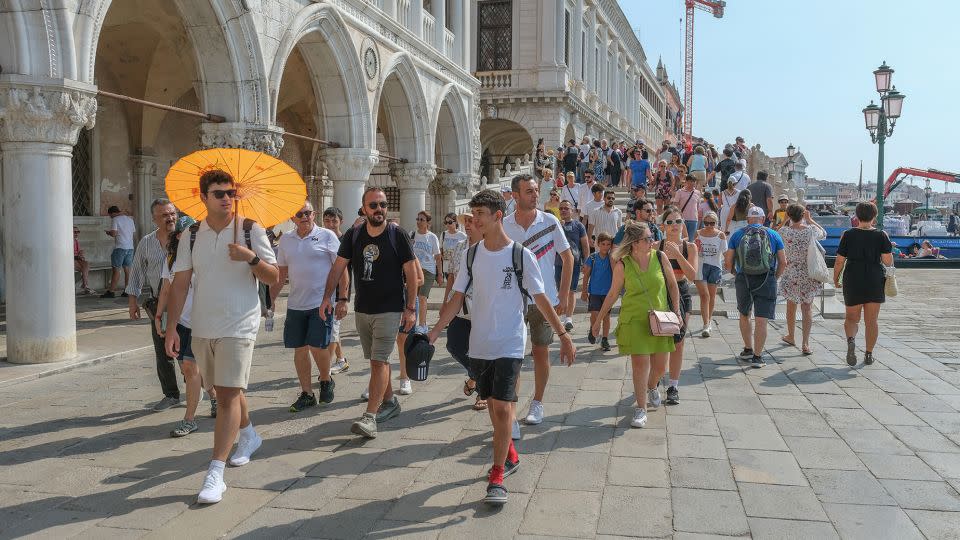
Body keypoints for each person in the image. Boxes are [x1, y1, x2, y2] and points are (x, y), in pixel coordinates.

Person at [429, 189, 574, 506]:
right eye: (473, 214)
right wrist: (435, 330)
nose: (474, 219)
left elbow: (540, 298)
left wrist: (562, 334)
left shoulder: (521, 255)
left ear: (497, 216)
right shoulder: (471, 255)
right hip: (479, 345)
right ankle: (508, 450)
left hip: (510, 342)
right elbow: (456, 298)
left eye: (479, 214)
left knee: (506, 407)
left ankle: (497, 475)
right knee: (494, 407)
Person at [164, 170, 279, 504]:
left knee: (227, 394)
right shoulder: (191, 234)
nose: (227, 197)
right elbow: (181, 282)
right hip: (202, 326)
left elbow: (273, 276)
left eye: (231, 192)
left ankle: (215, 472)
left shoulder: (250, 229)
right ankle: (249, 434)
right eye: (219, 193)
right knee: (224, 389)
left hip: (240, 323)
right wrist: (172, 327)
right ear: (204, 198)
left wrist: (251, 258)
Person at [319, 187, 418, 438]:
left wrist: (410, 308)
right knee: (374, 361)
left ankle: (370, 417)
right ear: (364, 208)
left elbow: (411, 274)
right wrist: (330, 299)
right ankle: (390, 402)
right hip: (362, 308)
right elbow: (338, 268)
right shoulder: (353, 235)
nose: (379, 210)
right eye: (373, 205)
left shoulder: (398, 234)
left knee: (379, 360)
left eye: (383, 205)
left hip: (390, 307)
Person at [592, 222, 680, 428]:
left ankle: (652, 386)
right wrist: (597, 321)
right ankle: (640, 408)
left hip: (660, 319)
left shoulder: (660, 257)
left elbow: (672, 285)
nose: (652, 241)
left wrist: (676, 311)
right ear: (634, 243)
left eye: (651, 238)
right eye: (647, 239)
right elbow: (613, 293)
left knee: (660, 367)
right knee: (640, 365)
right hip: (634, 320)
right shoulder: (623, 264)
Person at [504, 174, 573, 426]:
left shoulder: (550, 221)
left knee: (541, 351)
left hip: (546, 300)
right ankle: (511, 408)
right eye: (529, 191)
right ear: (515, 195)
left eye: (535, 190)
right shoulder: (505, 225)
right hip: (514, 300)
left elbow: (568, 258)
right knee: (513, 355)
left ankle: (537, 403)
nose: (535, 195)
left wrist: (563, 294)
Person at [272, 202, 345, 413]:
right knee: (300, 349)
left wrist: (342, 298)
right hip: (296, 304)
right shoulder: (286, 240)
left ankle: (325, 378)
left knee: (318, 347)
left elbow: (342, 269)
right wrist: (271, 299)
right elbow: (281, 273)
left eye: (308, 212)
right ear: (292, 218)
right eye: (299, 214)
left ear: (314, 214)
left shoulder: (327, 236)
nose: (304, 216)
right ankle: (307, 393)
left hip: (321, 302)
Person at [155, 216, 217, 437]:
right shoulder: (171, 258)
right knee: (188, 369)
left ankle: (189, 419)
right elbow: (166, 288)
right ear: (179, 235)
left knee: (191, 369)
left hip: (201, 322)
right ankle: (214, 395)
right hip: (179, 322)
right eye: (187, 232)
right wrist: (159, 314)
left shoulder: (206, 257)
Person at [126, 199, 181, 411]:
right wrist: (133, 303)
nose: (170, 218)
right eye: (165, 215)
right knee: (162, 350)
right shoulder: (147, 243)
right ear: (154, 219)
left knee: (187, 349)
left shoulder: (186, 239)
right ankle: (171, 394)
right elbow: (137, 272)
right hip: (160, 303)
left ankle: (198, 386)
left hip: (185, 302)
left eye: (172, 213)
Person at [724, 207, 786, 368]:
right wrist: (775, 277)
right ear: (763, 218)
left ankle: (748, 349)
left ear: (748, 218)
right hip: (767, 278)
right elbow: (783, 262)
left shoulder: (738, 234)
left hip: (744, 277)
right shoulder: (773, 234)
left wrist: (736, 273)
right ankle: (758, 357)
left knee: (745, 314)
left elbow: (728, 262)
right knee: (761, 320)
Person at [835, 202, 893, 367]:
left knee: (851, 318)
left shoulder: (848, 234)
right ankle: (868, 354)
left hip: (852, 277)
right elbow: (887, 261)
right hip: (874, 278)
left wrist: (836, 279)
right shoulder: (882, 235)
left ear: (857, 216)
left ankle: (851, 340)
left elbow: (839, 261)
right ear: (874, 216)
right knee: (871, 321)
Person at [444, 212, 487, 411]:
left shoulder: (489, 247)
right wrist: (446, 301)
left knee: (481, 351)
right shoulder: (460, 247)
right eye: (466, 221)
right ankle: (474, 375)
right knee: (454, 345)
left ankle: (482, 392)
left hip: (482, 308)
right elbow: (452, 277)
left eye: (471, 221)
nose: (468, 225)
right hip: (460, 307)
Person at [657, 208, 698, 406]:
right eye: (671, 222)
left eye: (678, 221)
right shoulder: (656, 245)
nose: (675, 225)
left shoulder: (690, 247)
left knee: (678, 341)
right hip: (660, 292)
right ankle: (655, 378)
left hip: (682, 291)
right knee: (659, 338)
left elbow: (692, 275)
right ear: (663, 226)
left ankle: (673, 385)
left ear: (683, 224)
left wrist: (677, 255)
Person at [779, 205, 826, 355]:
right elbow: (824, 233)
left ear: (789, 215)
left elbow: (774, 232)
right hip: (807, 272)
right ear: (803, 215)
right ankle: (805, 343)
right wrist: (810, 219)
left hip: (791, 271)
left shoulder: (785, 231)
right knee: (807, 308)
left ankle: (791, 336)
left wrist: (784, 220)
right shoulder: (810, 230)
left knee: (791, 306)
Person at [322, 207, 349, 374]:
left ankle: (325, 370)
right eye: (327, 220)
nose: (330, 224)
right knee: (333, 327)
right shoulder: (321, 238)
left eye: (334, 221)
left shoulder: (345, 240)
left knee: (333, 328)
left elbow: (346, 270)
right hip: (324, 289)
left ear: (340, 222)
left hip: (338, 292)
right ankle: (341, 360)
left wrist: (343, 297)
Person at [557, 200, 589, 330]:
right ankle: (557, 319)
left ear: (572, 211)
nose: (563, 210)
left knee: (571, 291)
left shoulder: (579, 226)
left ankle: (568, 318)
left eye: (566, 208)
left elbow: (585, 245)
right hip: (557, 263)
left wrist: (586, 261)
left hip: (574, 264)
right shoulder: (555, 224)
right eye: (561, 208)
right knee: (558, 292)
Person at [582, 232, 614, 350]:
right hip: (594, 291)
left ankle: (605, 339)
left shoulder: (612, 259)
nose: (605, 247)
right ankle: (593, 327)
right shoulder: (592, 257)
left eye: (608, 244)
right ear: (598, 244)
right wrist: (584, 291)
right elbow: (586, 275)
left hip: (608, 293)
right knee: (595, 314)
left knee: (606, 316)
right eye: (603, 244)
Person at [695, 212, 725, 337]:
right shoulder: (698, 233)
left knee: (711, 296)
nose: (709, 226)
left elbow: (725, 252)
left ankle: (709, 320)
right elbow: (692, 249)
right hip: (701, 266)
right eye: (706, 223)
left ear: (716, 223)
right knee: (704, 295)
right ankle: (706, 324)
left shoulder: (721, 235)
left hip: (715, 267)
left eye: (712, 223)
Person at [411, 211, 441, 328]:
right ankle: (411, 322)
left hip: (428, 271)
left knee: (422, 297)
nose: (418, 222)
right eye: (417, 219)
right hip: (414, 271)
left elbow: (438, 257)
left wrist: (439, 274)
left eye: (422, 220)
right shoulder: (412, 235)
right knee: (413, 298)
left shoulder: (432, 237)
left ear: (428, 222)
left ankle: (422, 325)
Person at [101, 205, 136, 298]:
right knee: (127, 269)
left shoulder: (115, 219)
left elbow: (114, 233)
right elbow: (132, 232)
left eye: (110, 215)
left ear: (112, 213)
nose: (110, 217)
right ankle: (127, 290)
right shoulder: (130, 220)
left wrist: (108, 232)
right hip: (130, 247)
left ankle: (111, 291)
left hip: (120, 247)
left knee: (116, 270)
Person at [670, 174, 702, 241]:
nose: (692, 183)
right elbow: (675, 205)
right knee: (680, 239)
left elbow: (698, 206)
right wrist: (678, 215)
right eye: (690, 181)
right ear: (686, 182)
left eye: (694, 181)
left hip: (693, 219)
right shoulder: (680, 192)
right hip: (682, 219)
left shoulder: (698, 193)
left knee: (691, 240)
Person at [440, 211, 467, 286]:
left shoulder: (462, 236)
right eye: (446, 222)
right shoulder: (443, 234)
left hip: (458, 268)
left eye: (450, 222)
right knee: (449, 288)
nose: (448, 224)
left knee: (456, 288)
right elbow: (441, 249)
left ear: (456, 222)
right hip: (447, 267)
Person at [73, 227, 96, 294]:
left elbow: (78, 251)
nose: (76, 233)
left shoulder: (76, 240)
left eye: (78, 232)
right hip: (70, 260)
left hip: (76, 258)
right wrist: (78, 256)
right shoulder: (68, 241)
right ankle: (85, 286)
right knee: (85, 268)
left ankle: (85, 285)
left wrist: (81, 253)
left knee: (86, 264)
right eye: (75, 232)